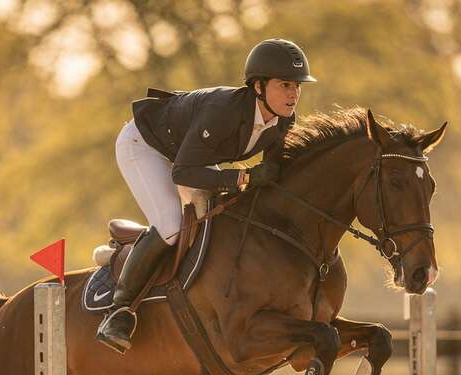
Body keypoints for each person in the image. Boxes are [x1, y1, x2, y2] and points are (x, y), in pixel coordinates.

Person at [96, 38, 317, 354]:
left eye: (297, 86)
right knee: (171, 224)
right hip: (144, 145)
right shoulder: (222, 111)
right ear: (258, 87)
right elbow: (183, 173)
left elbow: (272, 174)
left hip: (187, 153)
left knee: (222, 216)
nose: (294, 94)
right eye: (285, 85)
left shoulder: (284, 120)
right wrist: (243, 177)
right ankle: (118, 311)